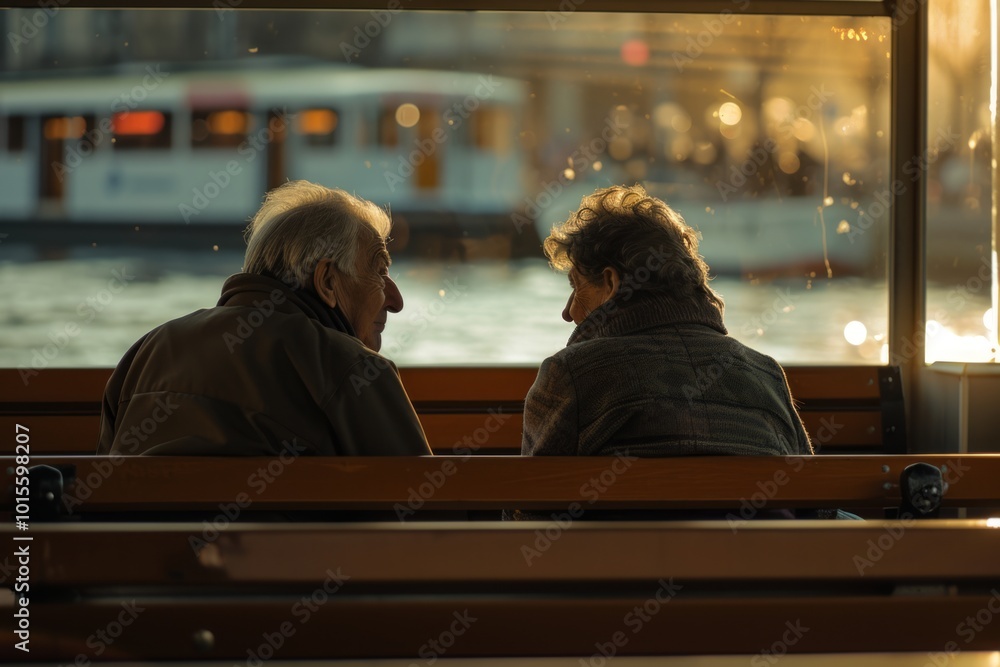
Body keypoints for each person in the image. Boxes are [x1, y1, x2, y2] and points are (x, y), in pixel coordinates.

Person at [98, 181, 431, 457]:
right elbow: (425, 519)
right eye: (380, 271)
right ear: (328, 281)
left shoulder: (145, 354)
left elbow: (100, 493)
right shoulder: (353, 370)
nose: (395, 300)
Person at [522, 184, 813, 459]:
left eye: (577, 286)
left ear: (611, 282)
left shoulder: (572, 376)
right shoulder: (766, 375)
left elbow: (531, 502)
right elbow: (815, 503)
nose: (568, 312)